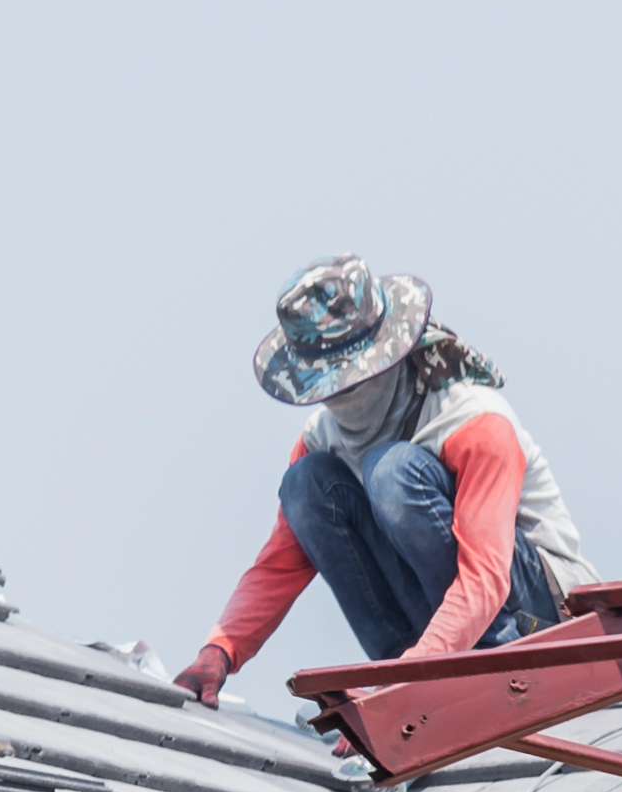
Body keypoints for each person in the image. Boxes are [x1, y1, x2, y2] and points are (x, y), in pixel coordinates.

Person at [178, 256, 593, 706]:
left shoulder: (471, 421)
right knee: (306, 485)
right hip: (439, 635)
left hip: (536, 616)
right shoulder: (322, 442)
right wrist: (220, 649)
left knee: (391, 472)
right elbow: (278, 566)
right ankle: (411, 669)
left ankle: (465, 665)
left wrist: (414, 677)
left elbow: (486, 577)